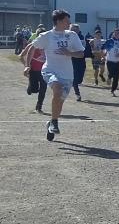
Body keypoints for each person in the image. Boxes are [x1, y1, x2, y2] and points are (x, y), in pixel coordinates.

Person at [23, 10, 85, 141]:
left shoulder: (72, 35)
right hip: (50, 70)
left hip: (67, 74)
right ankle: (55, 122)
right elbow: (31, 48)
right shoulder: (47, 36)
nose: (69, 23)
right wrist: (27, 65)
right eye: (67, 21)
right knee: (57, 89)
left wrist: (69, 53)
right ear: (58, 21)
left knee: (59, 102)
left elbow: (81, 53)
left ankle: (51, 122)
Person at [21, 36, 48, 112]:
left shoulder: (48, 46)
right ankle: (30, 88)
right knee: (34, 90)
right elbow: (21, 56)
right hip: (33, 70)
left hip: (45, 71)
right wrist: (27, 66)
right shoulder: (32, 45)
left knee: (43, 88)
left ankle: (39, 106)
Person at [102, 29, 119, 96]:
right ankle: (109, 77)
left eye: (118, 33)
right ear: (113, 33)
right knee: (111, 73)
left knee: (116, 76)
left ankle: (113, 90)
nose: (117, 34)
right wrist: (103, 56)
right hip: (110, 60)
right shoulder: (110, 41)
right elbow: (103, 48)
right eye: (116, 33)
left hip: (118, 61)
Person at [70, 24, 89, 102]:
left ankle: (74, 83)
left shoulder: (82, 37)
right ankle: (78, 94)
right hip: (72, 59)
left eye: (76, 30)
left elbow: (86, 49)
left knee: (79, 79)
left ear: (78, 30)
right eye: (73, 29)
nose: (74, 31)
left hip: (81, 59)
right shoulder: (67, 37)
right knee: (75, 79)